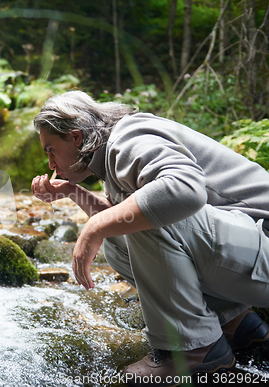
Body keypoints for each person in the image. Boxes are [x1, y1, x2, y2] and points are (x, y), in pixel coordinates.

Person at [31, 90, 269, 386]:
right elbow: (123, 217)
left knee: (141, 216)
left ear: (76, 137)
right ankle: (233, 321)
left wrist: (94, 227)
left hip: (263, 246)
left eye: (50, 149)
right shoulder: (112, 153)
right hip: (252, 255)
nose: (51, 163)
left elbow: (184, 190)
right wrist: (70, 191)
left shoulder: (128, 138)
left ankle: (194, 349)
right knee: (121, 235)